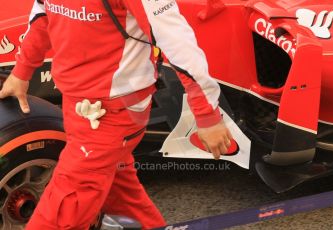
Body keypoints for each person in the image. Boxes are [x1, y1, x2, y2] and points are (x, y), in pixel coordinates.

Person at [0, 0, 232, 229]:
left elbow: (177, 41)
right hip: (76, 103)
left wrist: (206, 115)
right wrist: (21, 72)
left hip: (113, 112)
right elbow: (43, 11)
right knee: (120, 196)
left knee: (64, 208)